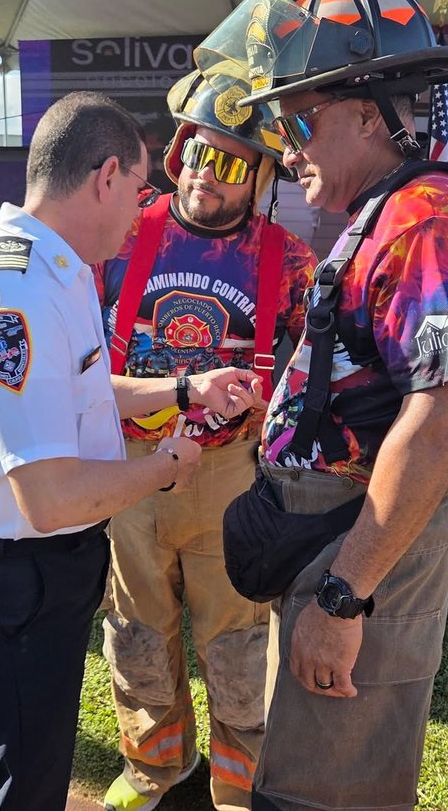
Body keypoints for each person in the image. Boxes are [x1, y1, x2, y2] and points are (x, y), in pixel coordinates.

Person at [193, 0, 448, 810]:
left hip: (359, 570)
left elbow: (442, 423)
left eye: (296, 119)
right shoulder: (385, 213)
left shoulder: (428, 220)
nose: (282, 146)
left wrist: (343, 595)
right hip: (335, 552)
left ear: (370, 114)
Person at [0, 90, 264, 811]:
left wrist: (182, 387)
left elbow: (82, 390)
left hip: (39, 579)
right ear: (106, 177)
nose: (146, 209)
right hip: (15, 578)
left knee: (34, 773)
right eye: (142, 189)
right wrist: (162, 468)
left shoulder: (59, 271)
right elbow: (48, 500)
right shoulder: (13, 291)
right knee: (19, 791)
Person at [95, 71, 316, 811]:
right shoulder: (127, 233)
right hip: (132, 469)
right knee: (135, 631)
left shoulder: (287, 259)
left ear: (259, 176)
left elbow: (325, 362)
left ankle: (238, 784)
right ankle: (154, 766)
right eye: (194, 153)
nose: (202, 176)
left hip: (228, 476)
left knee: (239, 648)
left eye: (226, 164)